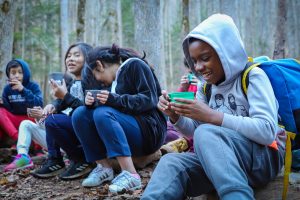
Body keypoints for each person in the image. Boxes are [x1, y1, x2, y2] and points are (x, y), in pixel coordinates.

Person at [142, 14, 285, 200]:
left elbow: (266, 131)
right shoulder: (206, 87)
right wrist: (175, 116)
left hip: (262, 159)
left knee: (207, 132)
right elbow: (195, 131)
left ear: (226, 52)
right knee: (171, 163)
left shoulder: (253, 76)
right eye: (194, 61)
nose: (198, 67)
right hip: (222, 161)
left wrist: (211, 116)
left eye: (205, 58)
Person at [72, 44, 167, 193]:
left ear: (99, 65)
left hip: (150, 130)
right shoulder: (114, 80)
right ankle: (104, 167)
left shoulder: (135, 65)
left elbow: (150, 99)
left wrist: (113, 99)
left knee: (102, 113)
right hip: (129, 128)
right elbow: (115, 105)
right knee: (80, 114)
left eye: (95, 75)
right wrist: (91, 103)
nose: (98, 81)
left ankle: (131, 175)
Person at [31, 42, 94, 180]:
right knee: (51, 117)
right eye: (68, 56)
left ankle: (81, 159)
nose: (70, 59)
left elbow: (87, 109)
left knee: (54, 121)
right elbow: (62, 102)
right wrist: (52, 106)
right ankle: (55, 160)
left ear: (88, 58)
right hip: (76, 126)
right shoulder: (71, 82)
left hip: (89, 128)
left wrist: (65, 96)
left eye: (77, 55)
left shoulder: (92, 81)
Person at [0, 59, 43, 147]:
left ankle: (37, 147)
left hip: (30, 119)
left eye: (20, 72)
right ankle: (17, 139)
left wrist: (23, 90)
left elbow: (39, 104)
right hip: (14, 120)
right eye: (13, 73)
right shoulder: (7, 89)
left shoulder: (33, 86)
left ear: (25, 73)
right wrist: (2, 103)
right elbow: (7, 110)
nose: (17, 75)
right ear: (9, 75)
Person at [3, 106, 47, 172]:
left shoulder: (66, 100)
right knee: (26, 124)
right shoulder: (57, 104)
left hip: (65, 141)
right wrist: (41, 117)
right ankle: (23, 156)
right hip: (55, 138)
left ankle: (64, 155)